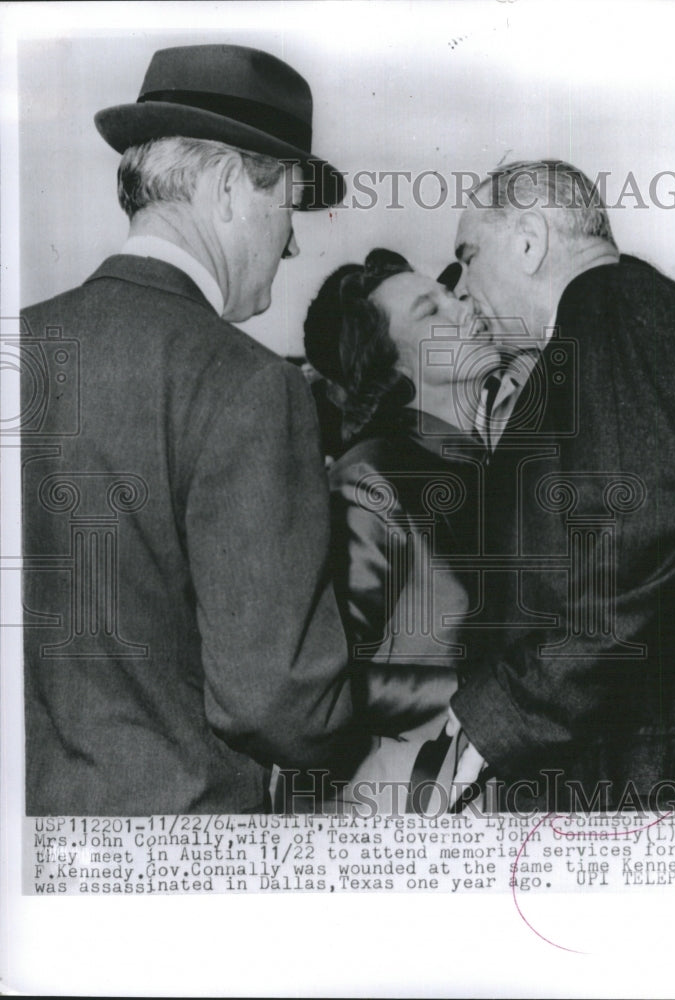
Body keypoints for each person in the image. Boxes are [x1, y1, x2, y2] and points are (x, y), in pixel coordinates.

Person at [21, 44, 366, 815]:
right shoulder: (247, 383)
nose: (292, 244)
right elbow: (272, 697)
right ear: (225, 185)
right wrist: (368, 749)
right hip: (185, 853)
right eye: (287, 208)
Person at [448, 160, 675, 812]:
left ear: (527, 239)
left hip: (642, 772)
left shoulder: (611, 306)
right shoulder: (617, 317)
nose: (463, 288)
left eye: (468, 256)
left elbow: (659, 540)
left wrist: (507, 711)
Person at [300, 249, 499, 811]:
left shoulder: (491, 471)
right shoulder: (370, 478)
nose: (466, 310)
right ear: (393, 365)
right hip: (398, 806)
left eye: (454, 295)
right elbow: (332, 680)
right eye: (431, 310)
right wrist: (488, 696)